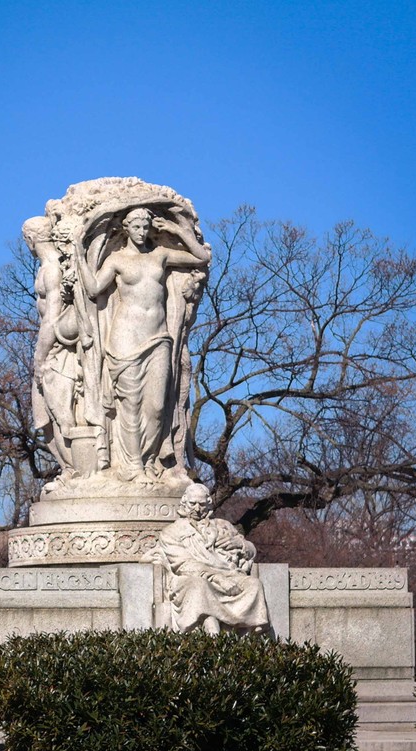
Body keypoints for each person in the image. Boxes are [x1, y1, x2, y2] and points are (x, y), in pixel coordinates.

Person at [76, 208, 210, 482]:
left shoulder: (160, 255)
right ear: (126, 228)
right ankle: (135, 467)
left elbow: (201, 257)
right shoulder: (116, 261)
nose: (141, 232)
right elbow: (93, 289)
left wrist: (178, 231)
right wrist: (78, 255)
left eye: (145, 226)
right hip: (126, 339)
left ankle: (149, 461)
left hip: (158, 337)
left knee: (158, 407)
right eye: (136, 226)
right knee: (131, 407)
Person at [158, 484, 269, 634]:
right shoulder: (172, 531)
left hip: (229, 574)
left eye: (202, 504)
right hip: (191, 577)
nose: (197, 509)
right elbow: (184, 564)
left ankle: (247, 632)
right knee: (199, 586)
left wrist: (240, 544)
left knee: (253, 584)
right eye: (192, 504)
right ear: (184, 502)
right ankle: (211, 624)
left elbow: (251, 550)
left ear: (208, 504)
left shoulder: (223, 525)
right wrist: (218, 579)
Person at [23, 216, 78, 478]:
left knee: (60, 415)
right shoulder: (48, 267)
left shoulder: (52, 269)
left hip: (57, 351)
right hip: (52, 349)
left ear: (31, 239)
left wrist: (39, 356)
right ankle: (70, 469)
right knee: (46, 423)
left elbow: (52, 317)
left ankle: (75, 471)